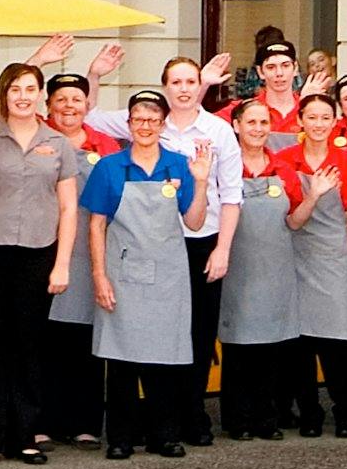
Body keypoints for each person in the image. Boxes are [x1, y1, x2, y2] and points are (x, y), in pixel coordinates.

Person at [82, 47, 241, 445]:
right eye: (177, 82)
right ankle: (133, 430)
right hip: (136, 256)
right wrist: (94, 74)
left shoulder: (210, 137)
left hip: (195, 246)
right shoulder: (126, 145)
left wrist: (221, 245)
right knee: (129, 344)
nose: (184, 89)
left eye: (192, 81)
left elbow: (225, 199)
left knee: (187, 341)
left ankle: (184, 422)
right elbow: (88, 115)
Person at [0, 60, 84, 466]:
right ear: (4, 95)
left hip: (37, 254)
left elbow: (68, 208)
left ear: (40, 95)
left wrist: (62, 263)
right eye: (15, 89)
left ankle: (24, 434)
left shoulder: (59, 144)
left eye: (30, 89)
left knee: (29, 346)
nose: (23, 96)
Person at [85, 88, 211, 458]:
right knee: (121, 359)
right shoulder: (109, 167)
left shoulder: (179, 165)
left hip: (169, 276)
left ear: (162, 125)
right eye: (139, 120)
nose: (145, 126)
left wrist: (201, 182)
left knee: (165, 358)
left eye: (153, 120)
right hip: (122, 273)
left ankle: (164, 435)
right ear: (128, 125)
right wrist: (99, 275)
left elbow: (195, 220)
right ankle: (121, 439)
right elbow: (96, 226)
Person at [39, 70, 119, 448]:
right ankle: (43, 420)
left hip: (91, 254)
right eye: (61, 98)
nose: (69, 106)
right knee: (47, 341)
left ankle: (85, 421)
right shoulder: (38, 140)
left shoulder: (108, 147)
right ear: (48, 104)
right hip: (44, 249)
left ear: (88, 104)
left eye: (77, 99)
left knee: (87, 339)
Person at [217, 95, 305, 436]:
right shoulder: (224, 167)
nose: (257, 128)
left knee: (272, 347)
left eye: (263, 122)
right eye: (250, 122)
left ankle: (267, 420)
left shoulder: (283, 170)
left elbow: (296, 219)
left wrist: (313, 198)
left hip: (275, 268)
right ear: (236, 126)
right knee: (238, 346)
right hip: (236, 265)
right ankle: (237, 421)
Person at [278, 90, 347, 437]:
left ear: (335, 121)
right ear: (300, 121)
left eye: (325, 117)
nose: (318, 124)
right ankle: (309, 412)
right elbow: (289, 219)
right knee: (300, 340)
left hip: (331, 255)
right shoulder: (283, 159)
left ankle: (345, 412)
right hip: (292, 253)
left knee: (337, 339)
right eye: (311, 117)